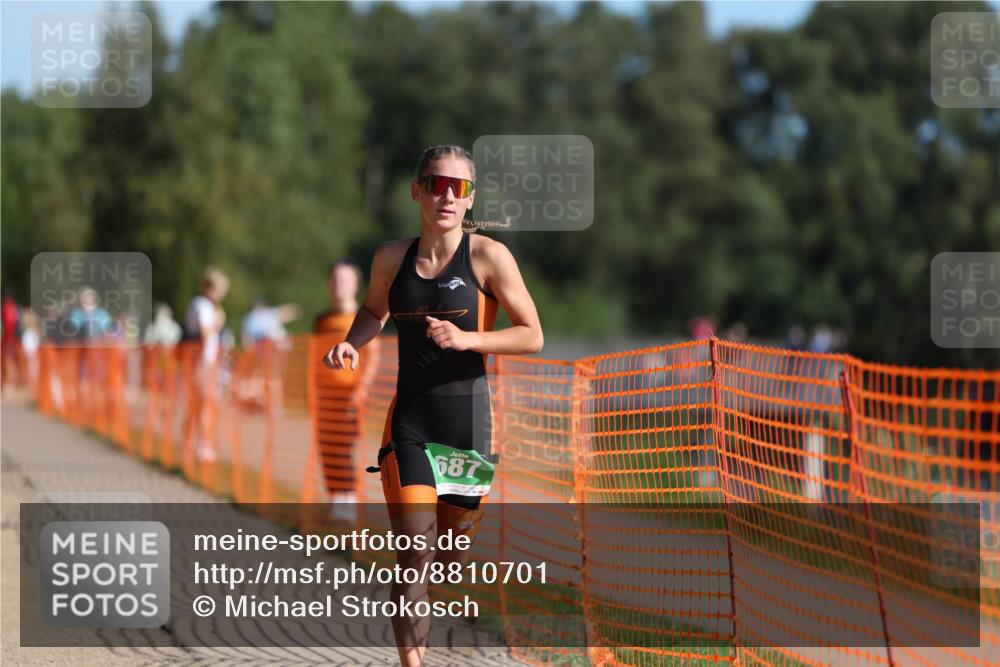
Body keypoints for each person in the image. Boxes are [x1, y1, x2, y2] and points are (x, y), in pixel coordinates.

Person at [322, 144, 544, 667]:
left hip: (468, 427)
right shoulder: (390, 258)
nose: (447, 194)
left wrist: (469, 341)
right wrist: (355, 340)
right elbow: (374, 311)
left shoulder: (489, 257)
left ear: (470, 198)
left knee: (447, 557)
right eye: (436, 183)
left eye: (458, 187)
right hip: (411, 423)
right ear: (416, 190)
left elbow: (532, 334)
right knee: (414, 555)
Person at [313, 260, 381, 519]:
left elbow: (372, 357)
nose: (338, 284)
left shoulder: (361, 319)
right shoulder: (321, 320)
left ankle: (349, 502)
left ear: (355, 285)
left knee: (345, 448)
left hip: (350, 398)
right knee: (326, 448)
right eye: (334, 278)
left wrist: (360, 389)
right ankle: (335, 501)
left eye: (345, 279)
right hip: (325, 398)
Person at [184, 266, 230, 462]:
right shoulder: (202, 305)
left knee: (200, 406)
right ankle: (202, 446)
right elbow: (204, 333)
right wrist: (218, 324)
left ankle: (191, 445)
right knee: (203, 405)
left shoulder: (205, 305)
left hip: (204, 362)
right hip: (201, 362)